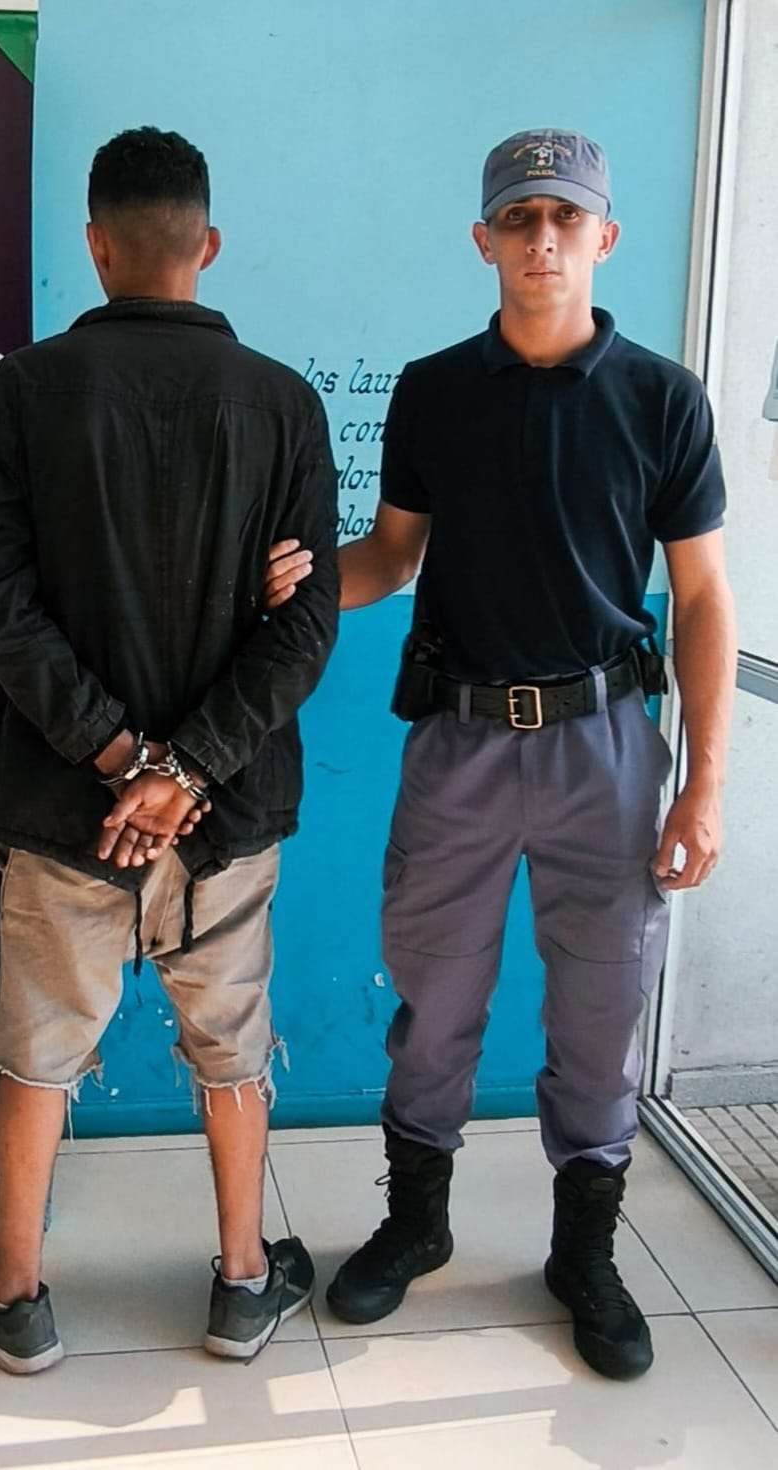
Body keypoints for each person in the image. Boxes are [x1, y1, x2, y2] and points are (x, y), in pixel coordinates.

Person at [266, 128, 735, 1381]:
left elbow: (701, 598)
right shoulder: (434, 391)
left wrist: (702, 784)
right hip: (460, 744)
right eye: (519, 219)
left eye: (565, 218)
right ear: (482, 239)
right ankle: (416, 1224)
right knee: (434, 1002)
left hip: (607, 749)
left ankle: (584, 1254)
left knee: (600, 1006)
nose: (542, 240)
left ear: (603, 237)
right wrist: (287, 583)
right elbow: (390, 557)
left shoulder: (662, 399)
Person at [0, 127, 339, 1374]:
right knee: (232, 1046)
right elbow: (305, 629)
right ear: (206, 245)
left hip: (71, 806)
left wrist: (117, 759)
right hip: (228, 811)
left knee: (39, 1048)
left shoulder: (27, 389)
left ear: (95, 246)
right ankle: (242, 1283)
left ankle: (15, 1295)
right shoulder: (283, 404)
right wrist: (187, 770)